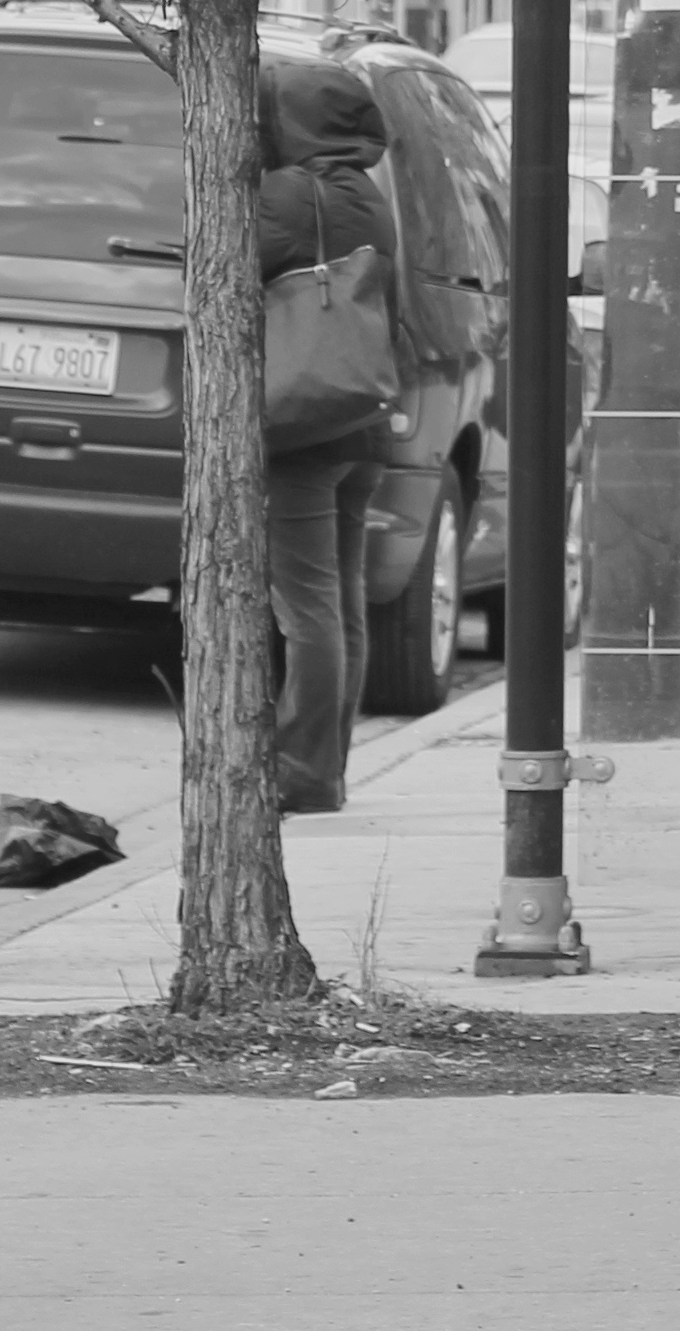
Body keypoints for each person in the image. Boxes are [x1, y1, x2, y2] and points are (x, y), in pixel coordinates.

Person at [259, 50, 409, 815]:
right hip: (361, 419)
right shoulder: (367, 194)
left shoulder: (288, 194)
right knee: (342, 601)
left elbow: (220, 262)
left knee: (308, 607)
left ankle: (302, 772)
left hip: (302, 424)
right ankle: (328, 767)